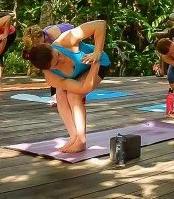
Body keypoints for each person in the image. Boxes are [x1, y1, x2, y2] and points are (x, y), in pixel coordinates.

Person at [21, 20, 110, 153]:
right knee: (61, 96)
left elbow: (100, 24)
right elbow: (83, 87)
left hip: (100, 63)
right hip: (84, 71)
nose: (61, 60)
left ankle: (81, 140)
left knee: (74, 96)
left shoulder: (65, 41)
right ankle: (74, 137)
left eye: (58, 55)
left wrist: (97, 55)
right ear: (49, 69)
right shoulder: (51, 77)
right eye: (56, 63)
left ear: (51, 47)